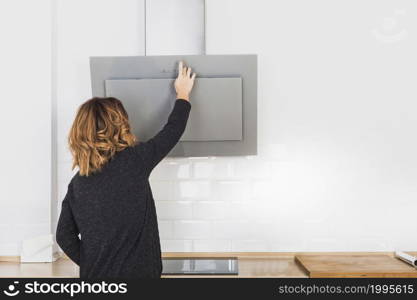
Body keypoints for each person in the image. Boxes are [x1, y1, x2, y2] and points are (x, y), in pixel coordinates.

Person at [56, 61, 196, 278]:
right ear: (119, 125)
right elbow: (172, 130)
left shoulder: (78, 182)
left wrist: (93, 263)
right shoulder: (134, 160)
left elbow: (64, 236)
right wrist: (183, 93)